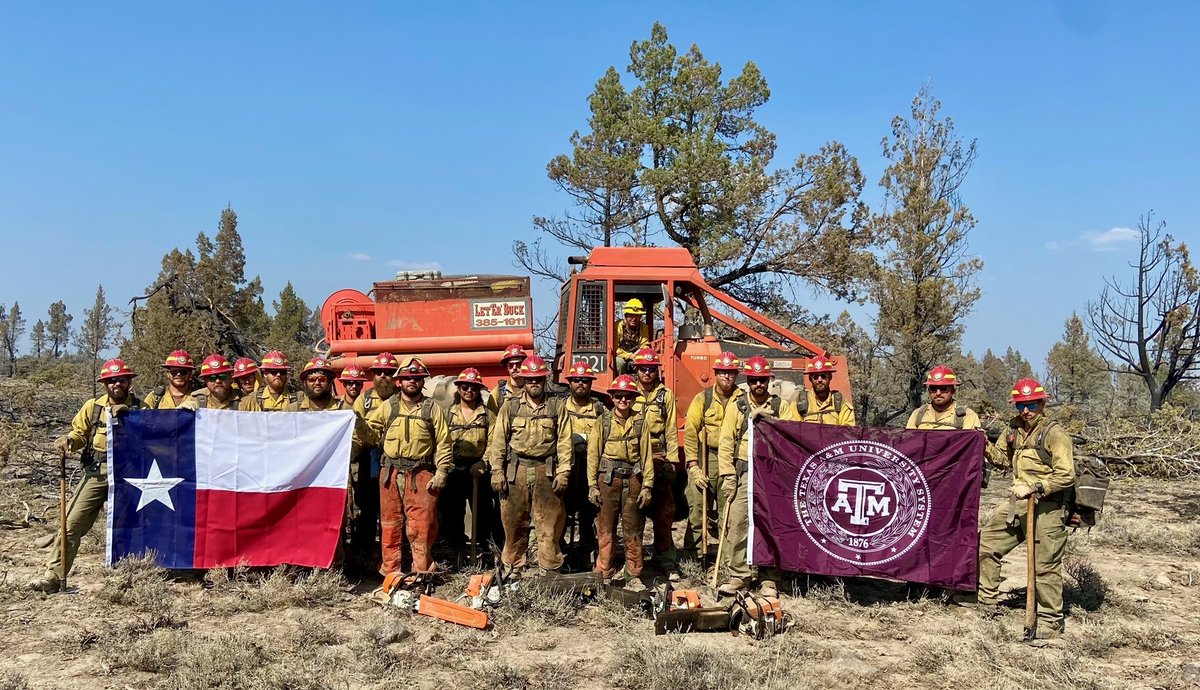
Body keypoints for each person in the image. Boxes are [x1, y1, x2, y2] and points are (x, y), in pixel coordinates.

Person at [29, 359, 146, 592]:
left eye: (122, 379)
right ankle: (53, 576)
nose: (117, 384)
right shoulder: (93, 407)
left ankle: (133, 577)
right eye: (112, 380)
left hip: (130, 473)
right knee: (71, 522)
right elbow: (79, 433)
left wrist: (131, 420)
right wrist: (69, 441)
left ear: (130, 382)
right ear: (105, 383)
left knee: (133, 526)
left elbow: (154, 436)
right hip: (96, 472)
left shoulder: (142, 408)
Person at [976, 378, 1075, 638]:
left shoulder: (1055, 434)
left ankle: (1051, 622)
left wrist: (1037, 487)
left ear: (1042, 403)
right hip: (1018, 504)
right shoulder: (1013, 429)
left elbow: (1066, 475)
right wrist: (983, 444)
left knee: (1045, 566)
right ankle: (986, 600)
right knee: (986, 544)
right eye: (1020, 405)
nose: (1026, 411)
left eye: (1031, 404)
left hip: (1048, 507)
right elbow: (1002, 460)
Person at [715, 355, 798, 596]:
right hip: (743, 471)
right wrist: (728, 476)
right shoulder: (737, 406)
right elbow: (725, 442)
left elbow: (792, 437)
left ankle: (768, 578)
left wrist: (770, 419)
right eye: (754, 380)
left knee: (770, 524)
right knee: (738, 522)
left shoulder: (782, 406)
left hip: (771, 473)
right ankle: (738, 575)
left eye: (762, 380)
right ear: (748, 381)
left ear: (768, 381)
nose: (758, 385)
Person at [486, 355, 572, 577]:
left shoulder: (556, 406)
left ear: (545, 380)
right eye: (530, 379)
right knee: (514, 522)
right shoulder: (510, 406)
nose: (534, 383)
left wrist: (564, 472)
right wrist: (497, 471)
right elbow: (498, 441)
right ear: (523, 379)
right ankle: (513, 569)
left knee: (550, 524)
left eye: (539, 379)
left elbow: (564, 441)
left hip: (547, 471)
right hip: (517, 471)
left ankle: (549, 569)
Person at [366, 356, 452, 576]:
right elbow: (370, 432)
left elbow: (444, 442)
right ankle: (391, 572)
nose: (411, 381)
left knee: (421, 527)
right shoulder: (388, 407)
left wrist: (441, 472)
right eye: (407, 378)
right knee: (389, 525)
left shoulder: (432, 409)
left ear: (422, 381)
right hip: (390, 474)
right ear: (399, 381)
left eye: (416, 378)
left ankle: (422, 572)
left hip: (421, 473)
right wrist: (356, 424)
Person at [588, 374, 654, 582]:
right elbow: (593, 455)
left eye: (628, 396)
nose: (623, 400)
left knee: (633, 528)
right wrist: (592, 485)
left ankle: (634, 571)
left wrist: (647, 486)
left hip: (634, 480)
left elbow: (647, 456)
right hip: (608, 480)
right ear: (612, 398)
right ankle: (604, 568)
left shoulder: (641, 422)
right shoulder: (603, 422)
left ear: (633, 398)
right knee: (605, 527)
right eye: (618, 396)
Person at [681, 352, 743, 561]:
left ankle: (726, 560)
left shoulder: (742, 399)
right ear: (716, 374)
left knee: (728, 509)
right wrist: (693, 465)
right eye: (723, 373)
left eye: (731, 373)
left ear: (736, 375)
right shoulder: (703, 398)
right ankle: (695, 556)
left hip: (733, 459)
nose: (726, 377)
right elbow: (690, 432)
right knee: (697, 506)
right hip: (706, 456)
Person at [631, 347, 680, 581]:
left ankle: (666, 559)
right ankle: (635, 562)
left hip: (659, 457)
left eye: (651, 369)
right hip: (634, 460)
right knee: (634, 513)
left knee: (664, 512)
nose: (647, 373)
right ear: (636, 370)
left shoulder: (665, 395)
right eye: (643, 369)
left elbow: (671, 429)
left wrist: (672, 460)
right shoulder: (627, 392)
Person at [438, 368, 500, 555]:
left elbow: (494, 443)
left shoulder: (488, 415)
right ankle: (455, 549)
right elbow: (441, 441)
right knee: (452, 513)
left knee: (483, 513)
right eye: (465, 386)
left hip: (478, 471)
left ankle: (483, 548)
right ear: (458, 389)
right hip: (453, 470)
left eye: (474, 387)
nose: (469, 391)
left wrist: (483, 463)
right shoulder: (447, 414)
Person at [562, 360, 606, 562]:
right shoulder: (561, 407)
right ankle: (561, 547)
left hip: (591, 466)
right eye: (577, 380)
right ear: (570, 383)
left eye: (585, 381)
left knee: (589, 509)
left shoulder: (599, 409)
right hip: (568, 466)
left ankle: (588, 545)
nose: (581, 384)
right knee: (563, 508)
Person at [906, 365, 982, 431]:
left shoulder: (967, 416)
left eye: (943, 388)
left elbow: (970, 445)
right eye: (933, 388)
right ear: (928, 391)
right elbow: (909, 442)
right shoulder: (918, 415)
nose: (938, 393)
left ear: (953, 391)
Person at [796, 355, 855, 426]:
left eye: (823, 376)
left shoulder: (841, 403)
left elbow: (848, 432)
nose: (819, 380)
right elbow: (793, 431)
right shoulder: (799, 403)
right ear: (810, 379)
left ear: (830, 377)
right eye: (815, 377)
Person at [487, 344, 527, 414]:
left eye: (518, 364)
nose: (514, 368)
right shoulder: (498, 393)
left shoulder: (531, 390)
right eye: (511, 365)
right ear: (507, 368)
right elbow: (491, 421)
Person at [614, 298, 650, 375]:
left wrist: (638, 355)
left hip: (637, 355)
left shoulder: (644, 327)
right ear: (626, 316)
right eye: (631, 315)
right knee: (620, 363)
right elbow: (615, 347)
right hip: (621, 356)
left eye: (637, 315)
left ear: (640, 317)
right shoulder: (617, 326)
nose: (634, 318)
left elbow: (645, 345)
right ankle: (621, 383)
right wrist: (630, 356)